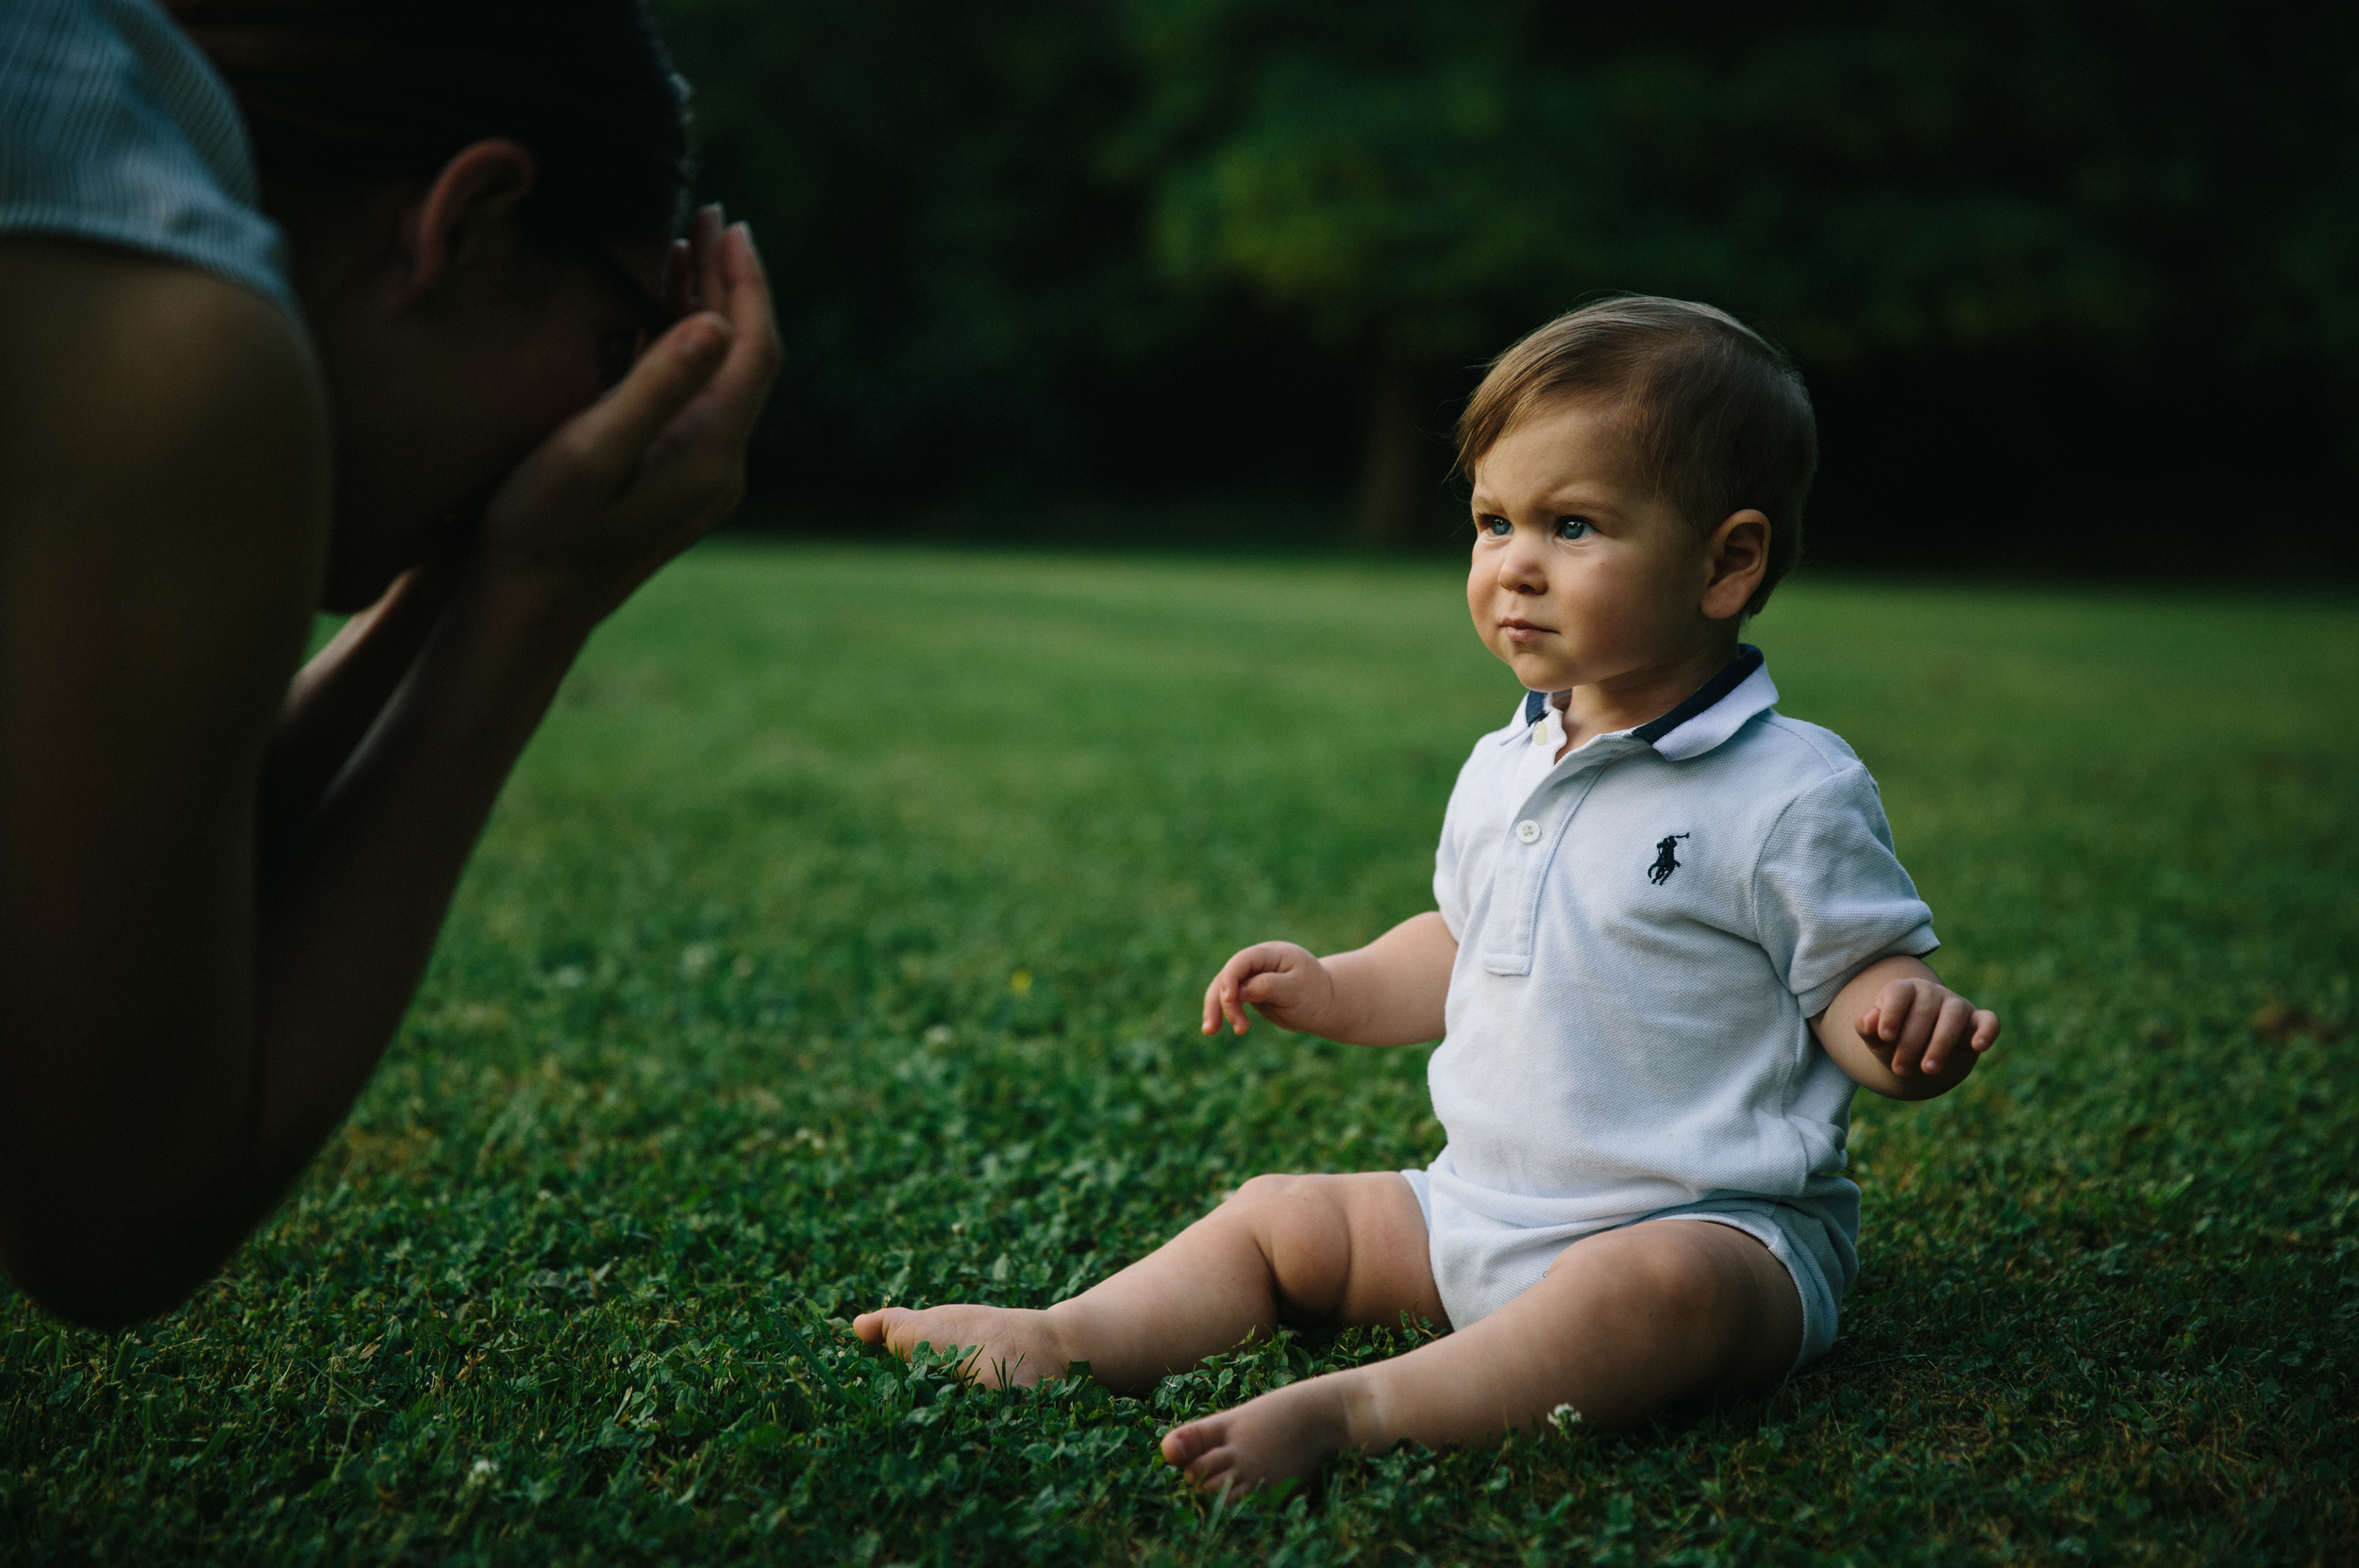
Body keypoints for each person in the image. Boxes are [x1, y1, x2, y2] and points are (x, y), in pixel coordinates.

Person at [854, 297, 2001, 1493]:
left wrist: (1900, 1023)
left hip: (1717, 1234)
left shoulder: (1784, 787)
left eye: (1571, 525)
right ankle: (1068, 1336)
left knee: (1648, 1297)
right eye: (1492, 521)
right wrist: (1337, 983)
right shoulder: (1506, 762)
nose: (1513, 564)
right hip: (1476, 1206)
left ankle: (1361, 1411)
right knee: (1282, 1215)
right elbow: (1461, 943)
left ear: (1727, 561)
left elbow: (1856, 974)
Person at [0, 0, 780, 1327]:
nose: (598, 421)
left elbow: (125, 925)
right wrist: (534, 599)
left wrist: (471, 575)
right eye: (614, 350)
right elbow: (109, 1212)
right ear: (468, 219)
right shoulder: (173, 321)